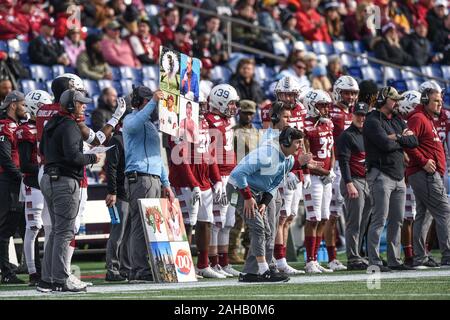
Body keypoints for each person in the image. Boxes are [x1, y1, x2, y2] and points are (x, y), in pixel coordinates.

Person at [39, 89, 101, 293]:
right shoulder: (70, 125)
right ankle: (60, 279)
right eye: (81, 103)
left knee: (56, 232)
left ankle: (47, 280)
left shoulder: (51, 123)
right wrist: (93, 157)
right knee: (64, 232)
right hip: (65, 182)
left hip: (48, 178)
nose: (84, 106)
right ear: (71, 105)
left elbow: (42, 151)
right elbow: (74, 157)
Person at [228, 127, 304, 282]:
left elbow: (275, 184)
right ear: (287, 141)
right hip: (238, 189)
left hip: (257, 193)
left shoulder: (288, 160)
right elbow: (237, 174)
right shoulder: (267, 154)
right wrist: (248, 198)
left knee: (269, 231)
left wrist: (264, 202)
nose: (300, 147)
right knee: (258, 227)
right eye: (297, 142)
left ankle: (251, 272)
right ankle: (264, 270)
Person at [363, 86, 418, 272]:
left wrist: (397, 137)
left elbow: (414, 141)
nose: (397, 103)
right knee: (379, 219)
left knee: (397, 220)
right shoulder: (371, 120)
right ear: (383, 100)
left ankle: (394, 259)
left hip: (398, 175)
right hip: (380, 174)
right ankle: (375, 260)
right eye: (394, 99)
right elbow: (384, 144)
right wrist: (401, 138)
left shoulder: (397, 119)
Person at [122, 87, 175, 282]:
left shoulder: (151, 125)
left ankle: (144, 267)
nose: (152, 105)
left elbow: (157, 158)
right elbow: (135, 125)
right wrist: (153, 101)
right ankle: (138, 269)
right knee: (140, 226)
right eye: (147, 101)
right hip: (140, 177)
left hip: (152, 177)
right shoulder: (130, 120)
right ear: (139, 102)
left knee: (149, 226)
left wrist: (166, 183)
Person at [405, 85, 450, 269]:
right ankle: (447, 255)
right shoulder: (418, 118)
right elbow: (407, 142)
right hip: (424, 173)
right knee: (444, 211)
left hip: (428, 174)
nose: (440, 104)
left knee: (424, 215)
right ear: (425, 101)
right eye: (436, 101)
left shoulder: (427, 118)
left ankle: (420, 257)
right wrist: (423, 161)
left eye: (440, 101)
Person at [204, 84, 241, 277]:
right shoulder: (210, 121)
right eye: (231, 103)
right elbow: (210, 154)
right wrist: (216, 178)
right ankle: (214, 262)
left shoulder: (226, 121)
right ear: (220, 102)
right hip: (219, 177)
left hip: (231, 175)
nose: (234, 107)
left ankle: (224, 262)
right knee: (217, 221)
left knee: (229, 221)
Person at [17, 90, 52, 286]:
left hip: (47, 183)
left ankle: (48, 270)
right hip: (33, 184)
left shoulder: (46, 128)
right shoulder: (26, 130)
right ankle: (33, 273)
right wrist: (46, 168)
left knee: (50, 227)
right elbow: (24, 165)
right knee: (33, 228)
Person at [327, 75, 360, 271]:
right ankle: (331, 257)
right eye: (347, 92)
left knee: (353, 213)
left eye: (353, 93)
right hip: (336, 166)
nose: (350, 96)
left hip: (353, 166)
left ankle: (354, 253)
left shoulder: (355, 112)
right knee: (332, 214)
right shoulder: (331, 111)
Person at [302, 89, 335, 274]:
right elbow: (306, 158)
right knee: (312, 218)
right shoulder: (305, 126)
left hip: (326, 177)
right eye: (321, 105)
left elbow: (332, 151)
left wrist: (331, 169)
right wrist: (324, 171)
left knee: (323, 218)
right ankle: (310, 260)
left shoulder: (328, 124)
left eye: (326, 105)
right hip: (313, 177)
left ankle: (315, 259)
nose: (325, 109)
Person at [337, 102, 372, 270]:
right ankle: (352, 257)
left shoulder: (369, 133)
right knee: (355, 221)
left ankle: (358, 253)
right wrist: (349, 183)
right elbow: (343, 162)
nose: (361, 118)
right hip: (354, 180)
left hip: (368, 180)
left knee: (365, 221)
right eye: (358, 114)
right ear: (352, 115)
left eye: (364, 115)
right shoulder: (347, 135)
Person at [0, 90, 28, 284]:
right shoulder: (4, 127)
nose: (25, 108)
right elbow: (4, 158)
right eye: (23, 104)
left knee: (23, 226)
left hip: (15, 182)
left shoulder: (15, 126)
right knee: (5, 228)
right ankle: (7, 273)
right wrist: (21, 178)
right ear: (13, 105)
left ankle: (29, 268)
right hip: (9, 182)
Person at [229, 100, 261, 264]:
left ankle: (250, 250)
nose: (248, 116)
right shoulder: (232, 133)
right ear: (239, 113)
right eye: (245, 113)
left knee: (252, 217)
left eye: (250, 113)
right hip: (237, 178)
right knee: (236, 217)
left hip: (254, 181)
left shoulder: (258, 133)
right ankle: (231, 250)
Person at [104, 108, 131, 282]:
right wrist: (112, 191)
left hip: (129, 192)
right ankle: (112, 269)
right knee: (118, 233)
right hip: (120, 192)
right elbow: (110, 167)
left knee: (128, 235)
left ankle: (126, 268)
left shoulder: (127, 139)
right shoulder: (116, 139)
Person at [397, 89, 421, 267]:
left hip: (416, 171)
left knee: (418, 215)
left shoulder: (417, 120)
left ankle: (421, 251)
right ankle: (409, 255)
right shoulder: (401, 122)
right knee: (407, 217)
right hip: (404, 174)